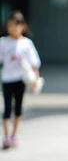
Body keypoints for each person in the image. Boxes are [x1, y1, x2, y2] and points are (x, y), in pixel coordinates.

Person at [0, 11, 42, 149]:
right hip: (7, 79)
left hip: (20, 80)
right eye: (10, 25)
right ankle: (6, 136)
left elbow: (34, 63)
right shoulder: (3, 42)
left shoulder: (27, 44)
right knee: (7, 109)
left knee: (18, 107)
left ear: (23, 26)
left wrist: (35, 78)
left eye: (16, 25)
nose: (13, 28)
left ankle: (14, 134)